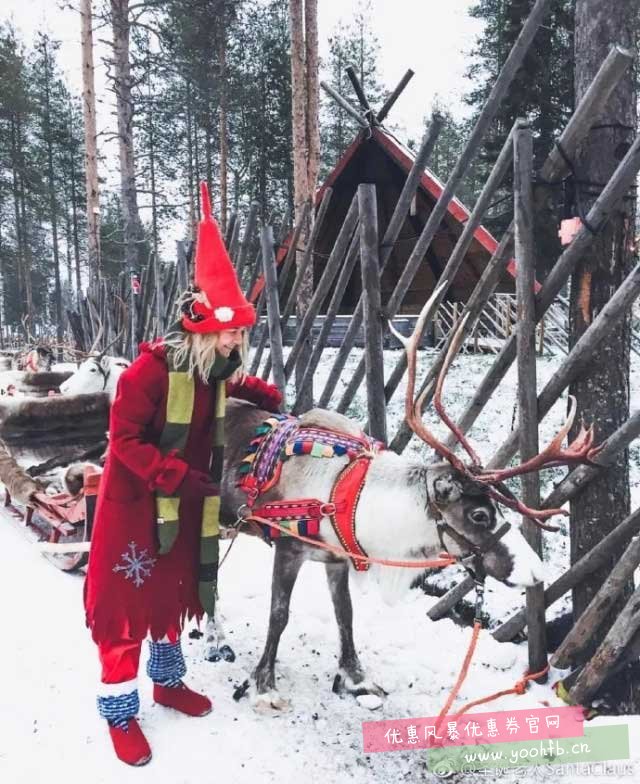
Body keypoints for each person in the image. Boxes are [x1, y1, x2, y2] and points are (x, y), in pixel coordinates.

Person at [83, 182, 282, 767]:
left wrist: (259, 391)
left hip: (185, 502)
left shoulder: (211, 369)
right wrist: (175, 474)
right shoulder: (145, 375)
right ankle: (120, 712)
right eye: (232, 334)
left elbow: (222, 383)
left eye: (241, 335)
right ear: (201, 333)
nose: (238, 343)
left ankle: (168, 683)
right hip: (137, 506)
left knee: (173, 598)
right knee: (127, 612)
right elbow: (123, 441)